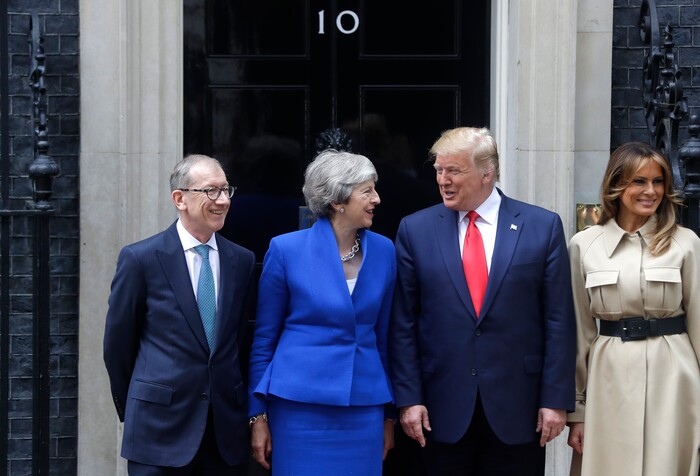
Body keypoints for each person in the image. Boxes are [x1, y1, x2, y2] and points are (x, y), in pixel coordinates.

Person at [390, 127, 576, 475]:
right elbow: (403, 323)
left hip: (518, 409)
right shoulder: (415, 230)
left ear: (486, 173)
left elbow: (558, 320)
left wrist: (555, 400)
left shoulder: (542, 226)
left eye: (453, 171)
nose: (442, 180)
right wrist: (409, 398)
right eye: (438, 170)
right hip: (439, 409)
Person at [103, 154, 256, 475]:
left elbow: (240, 341)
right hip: (158, 431)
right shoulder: (140, 259)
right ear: (180, 199)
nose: (223, 200)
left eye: (227, 190)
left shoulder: (241, 261)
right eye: (211, 191)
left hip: (224, 435)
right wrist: (137, 406)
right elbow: (118, 346)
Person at [248, 149, 396, 475]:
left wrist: (389, 415)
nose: (377, 199)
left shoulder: (385, 251)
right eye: (367, 191)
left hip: (364, 406)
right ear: (337, 201)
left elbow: (385, 339)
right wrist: (257, 415)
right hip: (298, 408)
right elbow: (264, 339)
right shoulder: (286, 250)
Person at [567, 141, 700, 476]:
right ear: (616, 184)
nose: (650, 191)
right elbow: (579, 333)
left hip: (675, 376)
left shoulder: (686, 244)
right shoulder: (584, 246)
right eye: (639, 181)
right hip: (608, 375)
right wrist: (577, 411)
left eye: (657, 182)